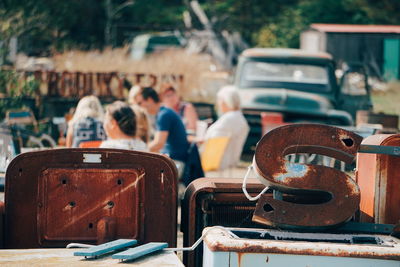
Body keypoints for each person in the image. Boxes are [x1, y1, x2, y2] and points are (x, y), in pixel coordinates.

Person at [130, 86, 190, 176]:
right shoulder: (163, 113)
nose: (139, 107)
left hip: (175, 162)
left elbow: (158, 144)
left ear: (150, 100)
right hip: (172, 160)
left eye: (139, 103)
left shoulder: (164, 115)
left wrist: (136, 152)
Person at [204, 85, 250, 170]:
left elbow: (212, 140)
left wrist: (199, 140)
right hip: (228, 160)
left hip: (217, 161)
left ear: (226, 101)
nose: (218, 103)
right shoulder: (238, 117)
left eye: (219, 100)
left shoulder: (229, 119)